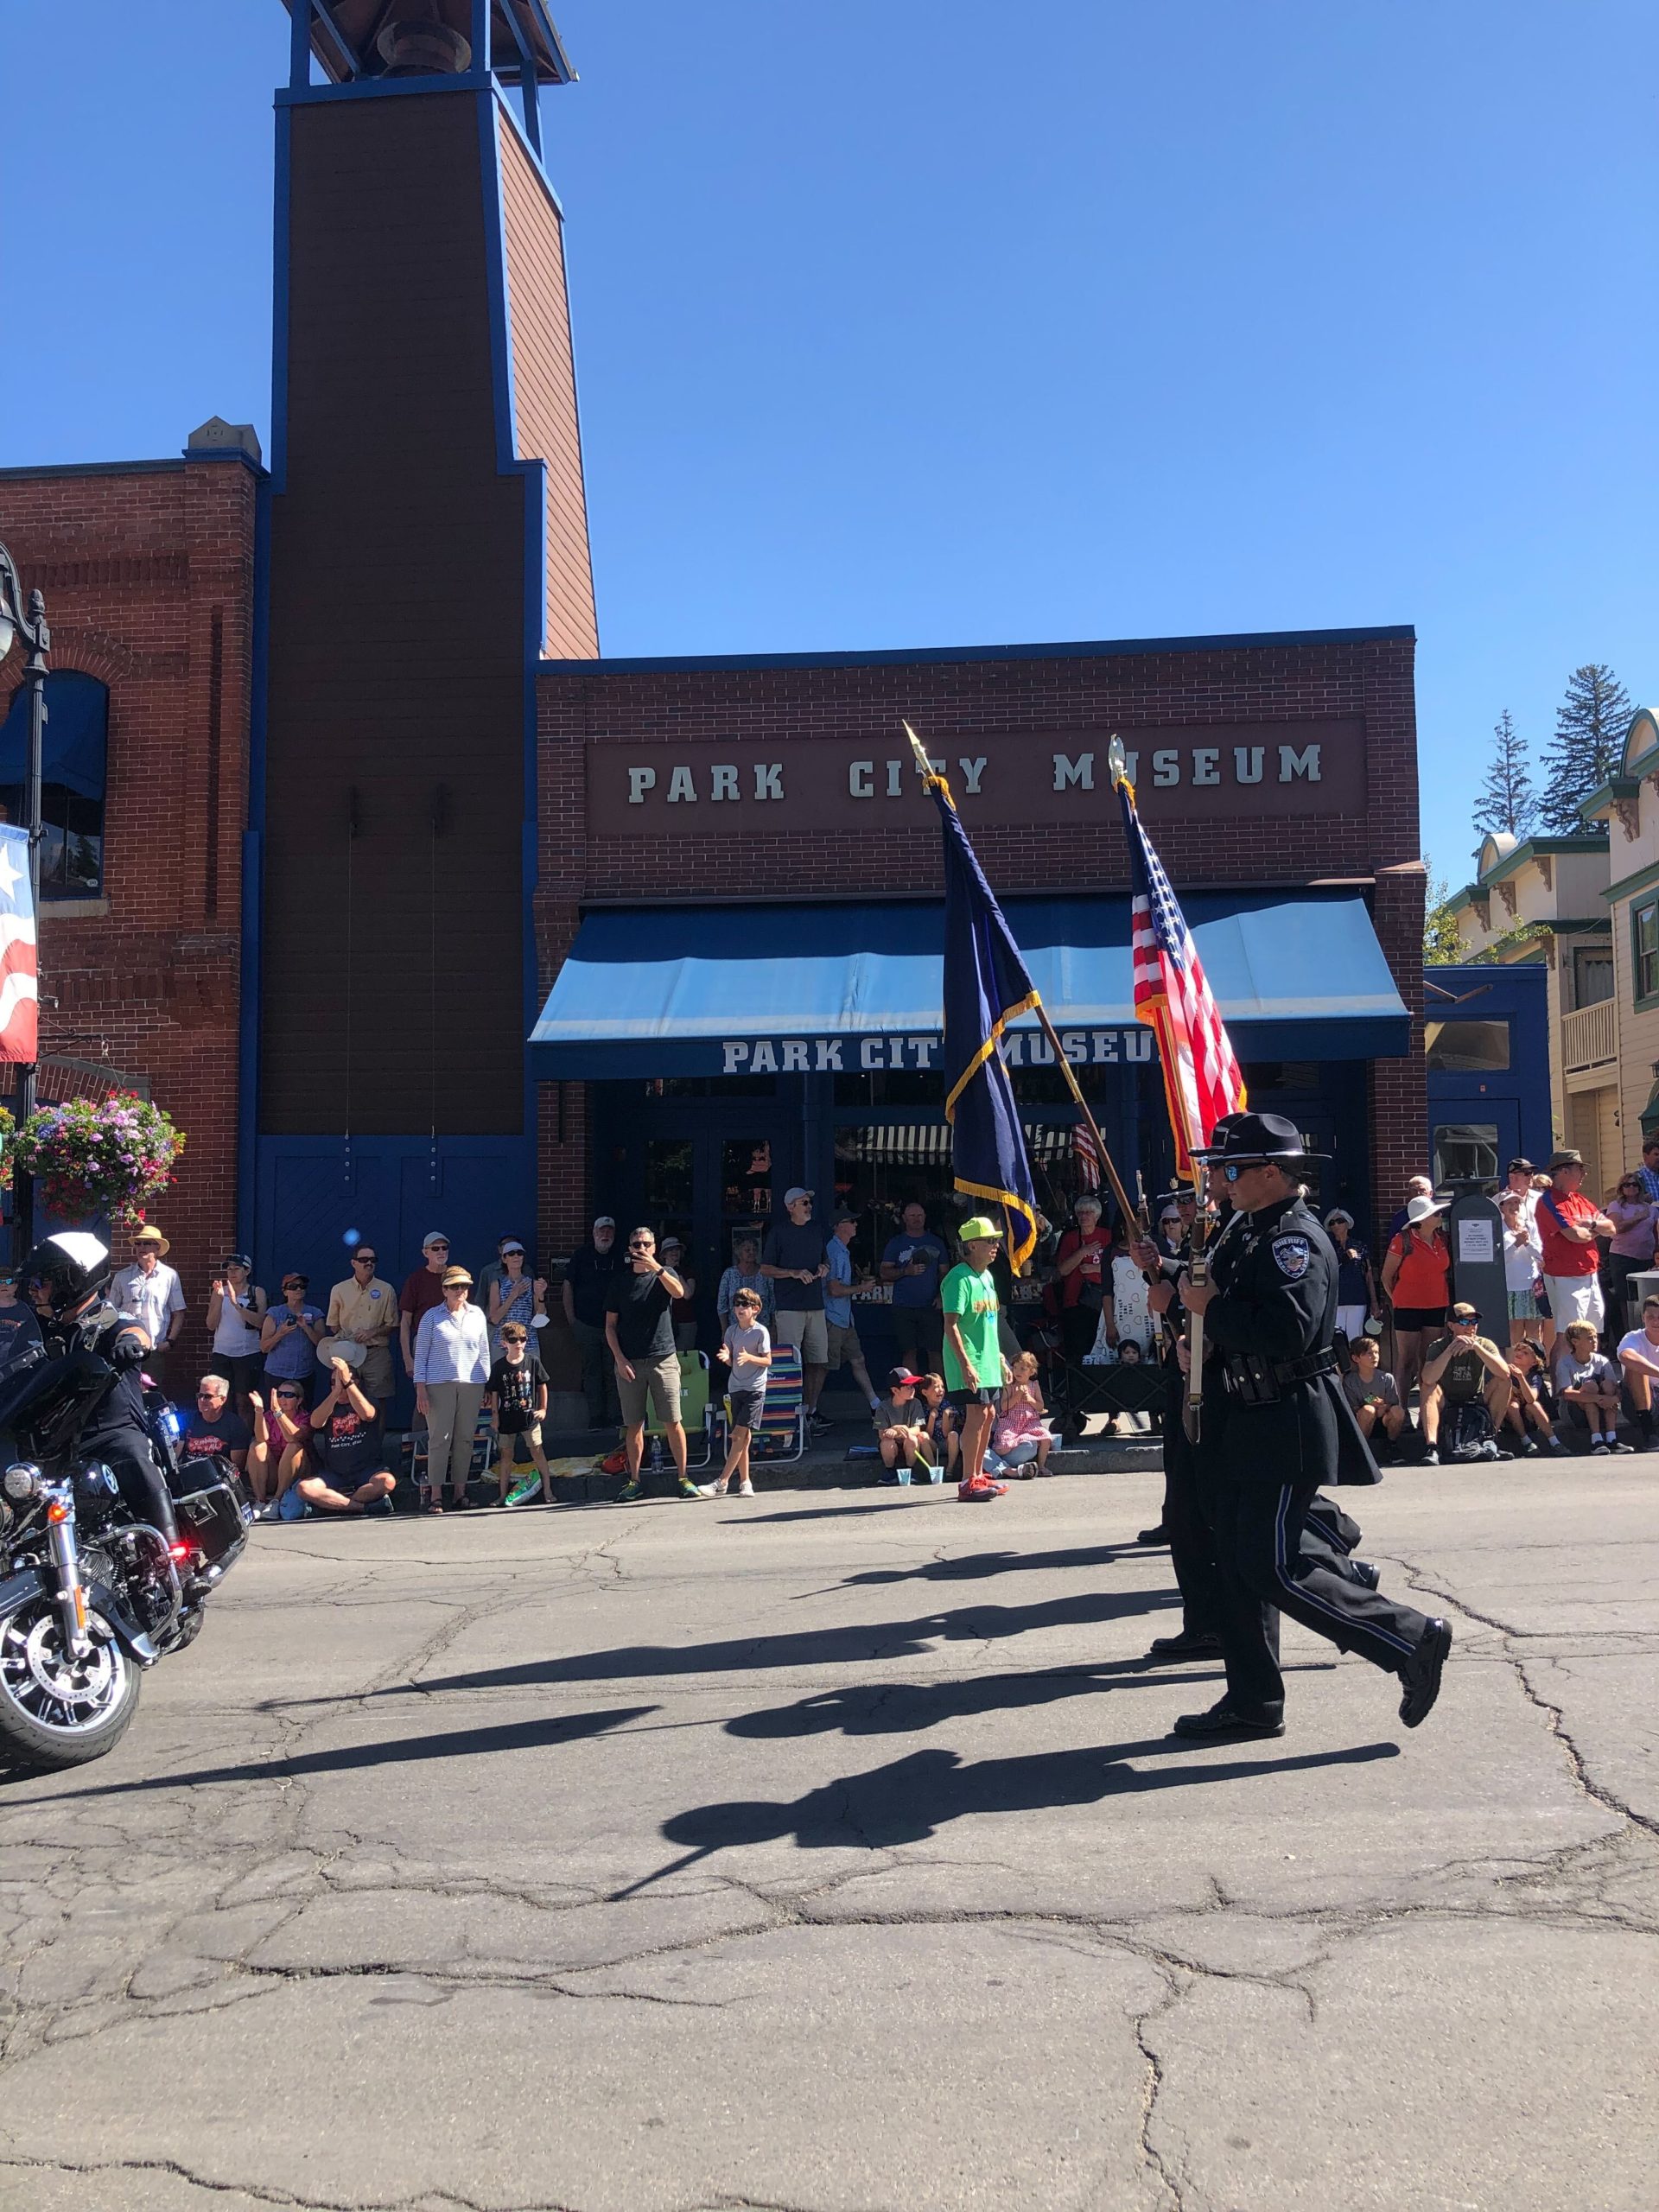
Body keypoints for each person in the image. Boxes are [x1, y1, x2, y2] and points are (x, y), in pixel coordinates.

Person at [1174, 1111, 1452, 1742]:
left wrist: (1211, 1312)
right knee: (1239, 1562)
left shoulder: (1291, 1239)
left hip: (1286, 1420)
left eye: (1234, 1168)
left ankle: (1408, 1639)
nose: (1223, 1178)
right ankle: (1253, 1701)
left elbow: (1288, 1332)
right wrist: (1204, 1338)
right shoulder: (1249, 1229)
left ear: (1272, 1172)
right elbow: (1239, 1318)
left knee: (1269, 1565)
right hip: (1246, 1414)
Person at [19, 1232, 180, 1543]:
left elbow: (133, 1329)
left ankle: (173, 1553)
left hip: (111, 1432)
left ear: (71, 1281)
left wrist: (133, 1344)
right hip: (61, 1440)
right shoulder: (45, 1328)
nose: (34, 1291)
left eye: (42, 1283)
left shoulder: (107, 1320)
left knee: (132, 1454)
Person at [606, 1227, 699, 1502]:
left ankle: (683, 1477)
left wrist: (656, 1267)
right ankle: (634, 1480)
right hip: (630, 1362)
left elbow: (681, 1293)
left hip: (663, 1359)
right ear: (629, 1246)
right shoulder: (619, 1283)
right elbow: (610, 1326)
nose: (641, 1248)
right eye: (637, 1244)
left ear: (654, 1246)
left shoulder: (664, 1275)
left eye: (646, 1243)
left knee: (673, 1420)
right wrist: (619, 1360)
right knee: (634, 1424)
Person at [943, 1217, 1013, 1502]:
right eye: (990, 1241)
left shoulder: (987, 1277)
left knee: (990, 1414)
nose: (996, 1246)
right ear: (972, 1246)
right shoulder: (958, 1279)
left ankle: (978, 1473)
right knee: (976, 1415)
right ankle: (967, 1480)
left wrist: (999, 1358)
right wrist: (965, 1364)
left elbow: (989, 1323)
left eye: (996, 1240)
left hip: (987, 1360)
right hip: (969, 1360)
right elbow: (951, 1324)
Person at [413, 1266, 492, 1511]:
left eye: (465, 1286)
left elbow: (484, 1352)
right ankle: (436, 1494)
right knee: (440, 1439)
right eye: (455, 1286)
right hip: (438, 1385)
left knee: (466, 1438)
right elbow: (421, 1356)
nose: (461, 1291)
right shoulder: (431, 1317)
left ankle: (460, 1492)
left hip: (472, 1383)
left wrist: (487, 1384)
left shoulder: (477, 1314)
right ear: (444, 1289)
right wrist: (421, 1390)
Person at [761, 1187, 830, 1429]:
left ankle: (811, 1411)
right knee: (792, 1363)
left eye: (809, 1202)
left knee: (820, 1361)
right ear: (790, 1207)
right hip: (789, 1306)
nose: (809, 1207)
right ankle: (792, 1412)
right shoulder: (779, 1232)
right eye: (803, 1203)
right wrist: (792, 1273)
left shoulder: (816, 1230)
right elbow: (765, 1268)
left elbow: (826, 1260)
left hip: (816, 1306)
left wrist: (824, 1268)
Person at [297, 1354, 397, 1515]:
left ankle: (334, 1503)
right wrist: (336, 1392)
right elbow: (315, 1423)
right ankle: (359, 1507)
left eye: (340, 1381)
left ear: (356, 1382)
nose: (336, 1384)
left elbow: (367, 1415)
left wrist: (348, 1383)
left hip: (366, 1470)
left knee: (387, 1482)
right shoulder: (329, 1404)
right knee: (304, 1488)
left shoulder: (368, 1400)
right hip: (335, 1473)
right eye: (332, 1382)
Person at [1418, 1303, 1513, 1465]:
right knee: (1428, 1387)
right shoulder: (1438, 1346)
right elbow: (1427, 1378)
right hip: (1447, 1400)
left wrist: (1476, 1347)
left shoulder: (1484, 1343)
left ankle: (1491, 1439)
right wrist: (1449, 1351)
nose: (1470, 1327)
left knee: (1503, 1382)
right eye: (1464, 1322)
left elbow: (1504, 1373)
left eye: (1474, 1322)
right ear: (1451, 1326)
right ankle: (1432, 1448)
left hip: (1475, 1399)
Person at [1380, 1192, 1452, 1402]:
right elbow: (1386, 1276)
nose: (1440, 1216)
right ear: (1421, 1220)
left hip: (1437, 1305)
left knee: (1428, 1360)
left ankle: (1426, 1411)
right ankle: (1400, 1408)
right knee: (1406, 1360)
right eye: (1435, 1213)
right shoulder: (1402, 1240)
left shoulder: (1442, 1239)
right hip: (1407, 1307)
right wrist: (1398, 1300)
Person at [699, 1286, 771, 1497]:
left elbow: (767, 1360)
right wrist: (727, 1358)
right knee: (742, 1438)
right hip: (735, 1388)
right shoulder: (731, 1331)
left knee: (738, 1435)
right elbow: (733, 1362)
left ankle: (722, 1481)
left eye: (745, 1305)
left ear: (755, 1309)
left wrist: (750, 1357)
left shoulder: (761, 1331)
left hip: (755, 1390)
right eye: (737, 1304)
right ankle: (745, 1482)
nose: (739, 1308)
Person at [1535, 1150, 1615, 1340]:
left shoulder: (1580, 1200)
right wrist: (1596, 1230)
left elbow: (1611, 1227)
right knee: (1568, 1334)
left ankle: (1589, 1370)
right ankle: (1560, 1371)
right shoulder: (1549, 1201)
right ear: (1563, 1171)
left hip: (1590, 1273)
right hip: (1565, 1276)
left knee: (1591, 1333)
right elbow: (1575, 1235)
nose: (1584, 1174)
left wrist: (1593, 1225)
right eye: (1579, 1169)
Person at [110, 1224, 186, 1395]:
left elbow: (178, 1312)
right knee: (125, 1394)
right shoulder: (122, 1276)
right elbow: (111, 1312)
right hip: (127, 1347)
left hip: (154, 1349)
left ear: (157, 1248)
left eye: (146, 1243)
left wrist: (170, 1342)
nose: (141, 1247)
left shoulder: (169, 1276)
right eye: (138, 1244)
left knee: (151, 1396)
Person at [486, 1320, 556, 1504]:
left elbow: (542, 1385)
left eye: (522, 1339)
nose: (518, 1343)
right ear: (504, 1343)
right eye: (513, 1339)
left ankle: (548, 1490)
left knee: (537, 1451)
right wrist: (495, 1417)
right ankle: (502, 1494)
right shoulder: (499, 1366)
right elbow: (494, 1393)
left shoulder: (532, 1362)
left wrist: (543, 1409)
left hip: (529, 1416)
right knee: (506, 1456)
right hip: (507, 1418)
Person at [323, 1243, 399, 1410]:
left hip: (376, 1353)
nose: (369, 1263)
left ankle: (377, 1438)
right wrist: (347, 1339)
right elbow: (333, 1325)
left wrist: (372, 1332)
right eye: (363, 1259)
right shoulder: (339, 1290)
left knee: (379, 1402)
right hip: (348, 1353)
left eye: (373, 1259)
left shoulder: (386, 1290)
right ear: (353, 1263)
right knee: (344, 1398)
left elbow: (392, 1324)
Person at [563, 1217, 622, 1429]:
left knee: (614, 1371)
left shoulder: (621, 1256)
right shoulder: (581, 1256)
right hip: (586, 1325)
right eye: (601, 1231)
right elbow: (568, 1286)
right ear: (594, 1233)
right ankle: (596, 1417)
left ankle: (615, 1416)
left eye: (609, 1231)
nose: (605, 1235)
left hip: (614, 1327)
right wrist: (572, 1320)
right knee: (591, 1372)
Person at [879, 1201, 948, 1376]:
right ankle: (912, 1396)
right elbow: (884, 1272)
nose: (916, 1219)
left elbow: (945, 1275)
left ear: (925, 1217)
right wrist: (905, 1271)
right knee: (909, 1352)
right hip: (903, 1306)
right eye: (912, 1216)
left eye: (920, 1215)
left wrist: (941, 1296)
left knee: (935, 1351)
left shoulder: (936, 1242)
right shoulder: (896, 1243)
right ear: (904, 1219)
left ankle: (939, 1397)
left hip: (931, 1306)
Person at [823, 1207, 881, 1414]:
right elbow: (834, 1289)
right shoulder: (835, 1251)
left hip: (845, 1319)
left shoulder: (843, 1250)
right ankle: (809, 1410)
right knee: (821, 1368)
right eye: (851, 1221)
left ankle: (875, 1404)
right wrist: (861, 1288)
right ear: (839, 1226)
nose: (856, 1225)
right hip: (833, 1319)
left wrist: (858, 1282)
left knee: (858, 1359)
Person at [1052, 1193, 1115, 1369]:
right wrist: (1082, 1252)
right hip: (1076, 1303)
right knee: (1079, 1352)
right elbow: (1063, 1270)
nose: (1083, 1216)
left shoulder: (1108, 1236)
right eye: (1080, 1213)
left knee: (1104, 1349)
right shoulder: (1071, 1238)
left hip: (1104, 1302)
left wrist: (1095, 1269)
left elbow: (1119, 1267)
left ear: (1097, 1216)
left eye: (1088, 1212)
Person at [207, 1253, 267, 1420]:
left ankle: (245, 1440)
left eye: (237, 1269)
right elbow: (211, 1324)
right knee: (221, 1399)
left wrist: (236, 1304)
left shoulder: (257, 1292)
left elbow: (261, 1322)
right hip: (222, 1352)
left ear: (247, 1271)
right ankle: (223, 1438)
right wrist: (219, 1300)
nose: (232, 1272)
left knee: (243, 1401)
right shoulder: (219, 1292)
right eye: (229, 1269)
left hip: (247, 1353)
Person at [1554, 1320, 1627, 1452]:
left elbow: (1617, 1390)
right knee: (1589, 1387)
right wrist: (1598, 1398)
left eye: (1595, 1337)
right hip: (1575, 1413)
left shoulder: (1602, 1361)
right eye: (1589, 1338)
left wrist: (1613, 1399)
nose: (1594, 1340)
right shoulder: (1565, 1363)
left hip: (1602, 1409)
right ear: (1575, 1342)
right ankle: (1596, 1440)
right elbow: (1567, 1394)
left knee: (1608, 1385)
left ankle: (1612, 1438)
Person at [246, 1380, 312, 1518]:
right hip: (274, 1472)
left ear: (299, 1400)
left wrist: (278, 1414)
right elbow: (261, 1437)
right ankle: (260, 1501)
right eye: (280, 1394)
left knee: (293, 1446)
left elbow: (293, 1437)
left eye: (288, 1395)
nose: (283, 1399)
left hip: (297, 1474)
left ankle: (276, 1500)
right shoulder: (270, 1416)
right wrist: (259, 1411)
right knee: (256, 1446)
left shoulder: (305, 1417)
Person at [1603, 1176, 1657, 1338]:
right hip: (1622, 1257)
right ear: (1621, 1188)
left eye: (1635, 1184)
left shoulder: (1651, 1208)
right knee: (1625, 1299)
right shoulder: (1616, 1206)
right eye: (1627, 1184)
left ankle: (1649, 1335)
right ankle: (1627, 1336)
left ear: (1640, 1187)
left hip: (1646, 1257)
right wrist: (1639, 1217)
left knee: (1648, 1298)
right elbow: (1616, 1228)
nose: (1631, 1187)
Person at [988, 1350, 1055, 1477]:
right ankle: (1000, 1462)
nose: (1017, 1372)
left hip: (1029, 1421)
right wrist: (1017, 1396)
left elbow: (1041, 1406)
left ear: (1032, 1371)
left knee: (1046, 1437)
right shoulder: (1010, 1386)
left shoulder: (1034, 1385)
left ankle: (1041, 1466)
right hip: (1011, 1421)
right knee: (1002, 1448)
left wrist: (1030, 1400)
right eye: (1015, 1367)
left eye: (1023, 1369)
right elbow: (1004, 1407)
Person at [399, 1232, 453, 1386]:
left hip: (454, 1343)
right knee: (424, 1398)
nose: (441, 1252)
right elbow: (405, 1322)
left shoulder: (456, 1277)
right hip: (425, 1343)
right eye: (435, 1248)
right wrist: (408, 1359)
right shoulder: (415, 1280)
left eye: (444, 1248)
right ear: (425, 1252)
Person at [260, 1273, 325, 1399]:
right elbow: (264, 1347)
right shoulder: (274, 1313)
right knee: (276, 1411)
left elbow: (321, 1344)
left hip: (304, 1373)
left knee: (304, 1412)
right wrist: (281, 1333)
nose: (299, 1289)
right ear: (285, 1292)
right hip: (277, 1372)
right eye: (293, 1286)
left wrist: (306, 1327)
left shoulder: (315, 1313)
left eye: (302, 1286)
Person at [1343, 1335, 1407, 1454]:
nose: (1375, 1357)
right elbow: (1352, 1408)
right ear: (1356, 1358)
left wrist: (1384, 1407)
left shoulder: (1386, 1378)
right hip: (1362, 1421)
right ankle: (1361, 1449)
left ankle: (1392, 1445)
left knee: (1398, 1411)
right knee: (1368, 1410)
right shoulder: (1350, 1381)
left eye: (1377, 1352)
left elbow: (1393, 1403)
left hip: (1384, 1420)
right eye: (1369, 1354)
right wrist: (1370, 1406)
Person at [1501, 1338, 1565, 1457]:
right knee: (1512, 1405)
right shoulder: (1506, 1372)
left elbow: (1531, 1399)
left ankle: (1555, 1443)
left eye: (1525, 1353)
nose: (1519, 1353)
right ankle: (1526, 1441)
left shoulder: (1534, 1377)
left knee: (1534, 1405)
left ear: (1535, 1362)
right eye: (1518, 1350)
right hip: (1510, 1419)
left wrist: (1520, 1378)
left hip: (1530, 1419)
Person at [1498, 1191, 1545, 1350]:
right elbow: (1500, 1260)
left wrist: (1526, 1243)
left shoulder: (1530, 1226)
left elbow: (1540, 1255)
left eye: (1516, 1203)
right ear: (1502, 1207)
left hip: (1532, 1286)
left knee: (1535, 1333)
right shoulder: (1498, 1228)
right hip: (1510, 1287)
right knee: (1515, 1333)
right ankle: (1514, 1369)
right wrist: (1516, 1243)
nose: (1514, 1206)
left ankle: (1536, 1369)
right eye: (1509, 1203)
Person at [180, 1372, 252, 1474]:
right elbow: (175, 1456)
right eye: (200, 1395)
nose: (202, 1400)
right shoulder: (187, 1419)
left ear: (222, 1399)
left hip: (218, 1477)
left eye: (207, 1396)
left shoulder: (235, 1424)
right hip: (188, 1474)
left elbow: (237, 1466)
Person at [486, 1239, 547, 1358]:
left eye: (519, 1253)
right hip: (502, 1343)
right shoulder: (497, 1284)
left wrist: (540, 1296)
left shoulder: (532, 1284)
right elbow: (494, 1318)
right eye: (511, 1254)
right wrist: (513, 1295)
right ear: (504, 1259)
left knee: (529, 1377)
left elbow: (540, 1319)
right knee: (501, 1377)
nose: (516, 1256)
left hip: (528, 1343)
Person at [1324, 1209, 1377, 1343]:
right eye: (1332, 1223)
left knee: (1355, 1339)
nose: (1336, 1225)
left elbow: (1368, 1274)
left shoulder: (1360, 1246)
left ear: (1347, 1224)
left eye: (1340, 1221)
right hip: (1336, 1301)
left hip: (1357, 1298)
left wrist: (1374, 1301)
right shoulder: (1327, 1247)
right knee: (1338, 1340)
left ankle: (1356, 1364)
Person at [872, 1366, 931, 1482]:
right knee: (886, 1442)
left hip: (908, 1441)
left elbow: (917, 1428)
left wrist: (902, 1430)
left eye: (913, 1386)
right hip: (891, 1443)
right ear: (895, 1390)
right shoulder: (883, 1407)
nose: (912, 1389)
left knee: (913, 1439)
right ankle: (890, 1471)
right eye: (908, 1387)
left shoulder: (915, 1403)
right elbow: (881, 1433)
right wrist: (895, 1429)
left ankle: (910, 1470)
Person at [1616, 1294, 1659, 1450]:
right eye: (1650, 1317)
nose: (1655, 1322)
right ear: (1643, 1318)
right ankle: (1649, 1433)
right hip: (1636, 1404)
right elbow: (1625, 1356)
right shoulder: (1634, 1337)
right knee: (1636, 1367)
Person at [716, 1234, 772, 1331]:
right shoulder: (729, 1274)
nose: (752, 1252)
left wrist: (773, 1328)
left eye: (754, 1249)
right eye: (747, 1250)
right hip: (735, 1329)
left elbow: (773, 1302)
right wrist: (724, 1330)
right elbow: (722, 1305)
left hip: (762, 1328)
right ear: (739, 1253)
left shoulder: (765, 1273)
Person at [0, 1268, 43, 1377]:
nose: (4, 1285)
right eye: (0, 1282)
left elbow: (35, 1339)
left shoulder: (25, 1310)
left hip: (15, 1368)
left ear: (16, 1286)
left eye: (8, 1281)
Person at [915, 1372, 958, 1480]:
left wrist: (945, 1416)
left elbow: (946, 1433)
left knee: (953, 1435)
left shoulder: (948, 1406)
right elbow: (928, 1434)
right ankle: (934, 1470)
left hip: (947, 1443)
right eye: (936, 1387)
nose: (941, 1390)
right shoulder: (923, 1408)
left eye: (942, 1387)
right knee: (922, 1435)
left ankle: (949, 1470)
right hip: (933, 1444)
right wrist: (932, 1418)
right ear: (925, 1392)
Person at [659, 1237, 698, 1352]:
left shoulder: (687, 1272)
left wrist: (676, 1272)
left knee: (683, 1357)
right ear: (664, 1254)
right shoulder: (658, 1272)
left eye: (677, 1249)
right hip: (664, 1323)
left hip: (685, 1322)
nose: (674, 1252)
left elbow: (687, 1294)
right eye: (670, 1249)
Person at [1387, 1175, 1436, 1239]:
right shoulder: (1400, 1217)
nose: (1418, 1193)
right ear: (1408, 1193)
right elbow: (1393, 1241)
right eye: (1414, 1190)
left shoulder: (1437, 1214)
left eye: (1422, 1190)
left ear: (1431, 1193)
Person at [1635, 1135, 1659, 1206]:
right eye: (1656, 1154)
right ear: (1645, 1156)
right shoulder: (1637, 1178)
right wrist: (1641, 1199)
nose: (1658, 1157)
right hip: (1649, 1215)